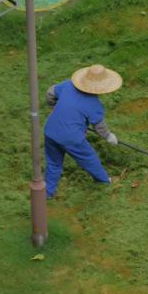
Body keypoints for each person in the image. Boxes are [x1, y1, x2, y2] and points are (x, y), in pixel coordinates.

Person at [44, 64, 121, 198]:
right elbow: (100, 128)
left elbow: (50, 92)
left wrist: (53, 106)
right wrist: (109, 137)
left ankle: (47, 193)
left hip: (50, 131)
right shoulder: (94, 104)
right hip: (71, 138)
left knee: (53, 163)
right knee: (88, 157)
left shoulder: (68, 85)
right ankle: (104, 180)